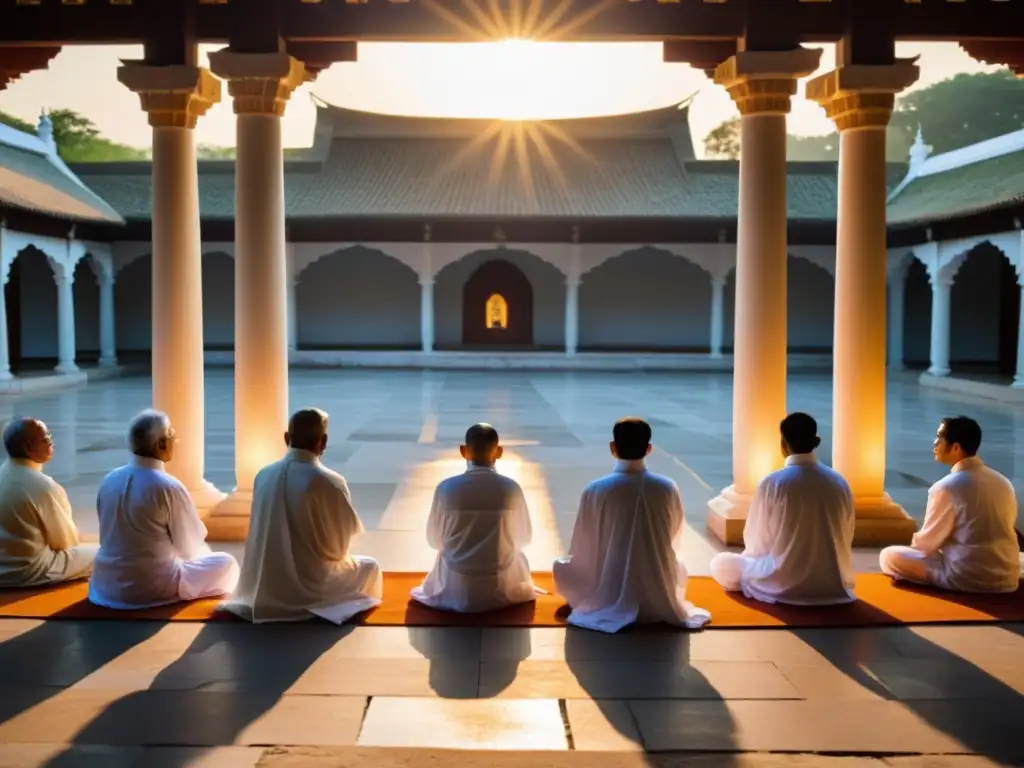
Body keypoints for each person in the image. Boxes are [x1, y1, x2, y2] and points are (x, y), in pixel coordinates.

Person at [220, 407, 382, 623]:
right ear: (323, 441)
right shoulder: (329, 481)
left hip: (264, 584)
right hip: (311, 585)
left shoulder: (263, 474)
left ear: (286, 438)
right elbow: (337, 549)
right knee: (370, 567)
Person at [552, 417, 711, 633]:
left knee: (561, 566)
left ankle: (608, 599)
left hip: (608, 586)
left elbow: (583, 544)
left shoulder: (596, 489)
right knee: (678, 565)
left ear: (613, 448)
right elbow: (674, 535)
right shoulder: (667, 487)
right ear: (649, 449)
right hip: (658, 588)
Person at [89, 409, 239, 609]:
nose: (174, 442)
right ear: (160, 444)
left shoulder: (110, 479)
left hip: (105, 585)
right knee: (226, 563)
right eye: (172, 436)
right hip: (152, 586)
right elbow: (189, 546)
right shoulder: (167, 486)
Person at [710, 412, 856, 605]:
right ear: (816, 441)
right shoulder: (839, 481)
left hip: (782, 583)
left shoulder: (773, 483)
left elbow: (756, 541)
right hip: (833, 583)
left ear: (783, 443)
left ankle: (777, 583)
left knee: (721, 564)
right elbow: (846, 533)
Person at [879, 416, 1021, 593]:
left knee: (889, 556)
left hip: (965, 576)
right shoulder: (1003, 482)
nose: (935, 443)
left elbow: (926, 545)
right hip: (1007, 577)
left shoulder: (946, 487)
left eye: (939, 437)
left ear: (955, 447)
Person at [411, 423, 538, 612]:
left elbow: (434, 540)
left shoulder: (447, 489)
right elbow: (524, 538)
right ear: (499, 452)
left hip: (456, 585)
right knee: (518, 555)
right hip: (500, 583)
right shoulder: (510, 488)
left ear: (463, 451)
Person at [0, 417, 97, 588]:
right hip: (28, 571)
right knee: (105, 555)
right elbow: (66, 542)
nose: (52, 443)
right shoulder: (43, 486)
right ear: (29, 447)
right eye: (46, 439)